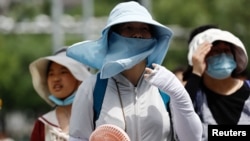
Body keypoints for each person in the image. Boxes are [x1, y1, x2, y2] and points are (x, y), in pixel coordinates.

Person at [66, 1, 202, 141]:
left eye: (144, 29)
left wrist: (178, 94)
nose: (137, 35)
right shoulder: (93, 87)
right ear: (113, 37)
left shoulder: (165, 84)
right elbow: (77, 138)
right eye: (128, 28)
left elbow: (192, 138)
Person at [183, 26, 250, 141]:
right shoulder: (195, 97)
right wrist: (196, 73)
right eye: (215, 51)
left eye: (227, 50)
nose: (223, 56)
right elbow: (179, 115)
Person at [29, 47, 91, 141]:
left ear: (79, 78)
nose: (56, 79)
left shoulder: (95, 118)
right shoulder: (43, 124)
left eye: (63, 72)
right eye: (51, 74)